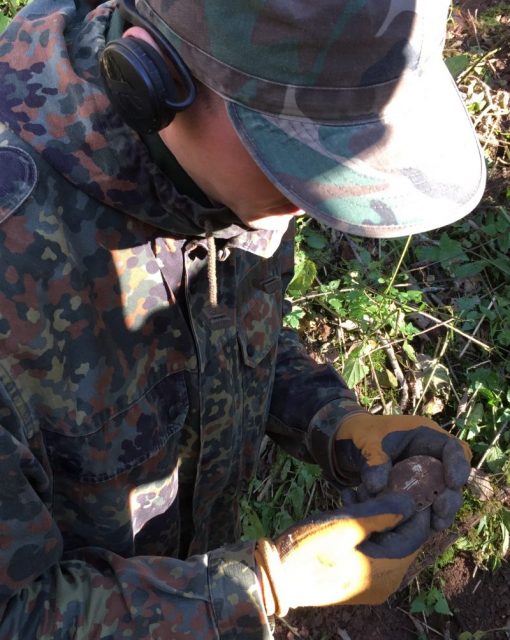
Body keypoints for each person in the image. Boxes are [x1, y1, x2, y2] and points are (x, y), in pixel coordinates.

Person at [0, 0, 485, 637]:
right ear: (150, 74)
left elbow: (221, 326)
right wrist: (264, 586)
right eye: (298, 150)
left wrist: (331, 421)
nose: (316, 197)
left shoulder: (221, 176)